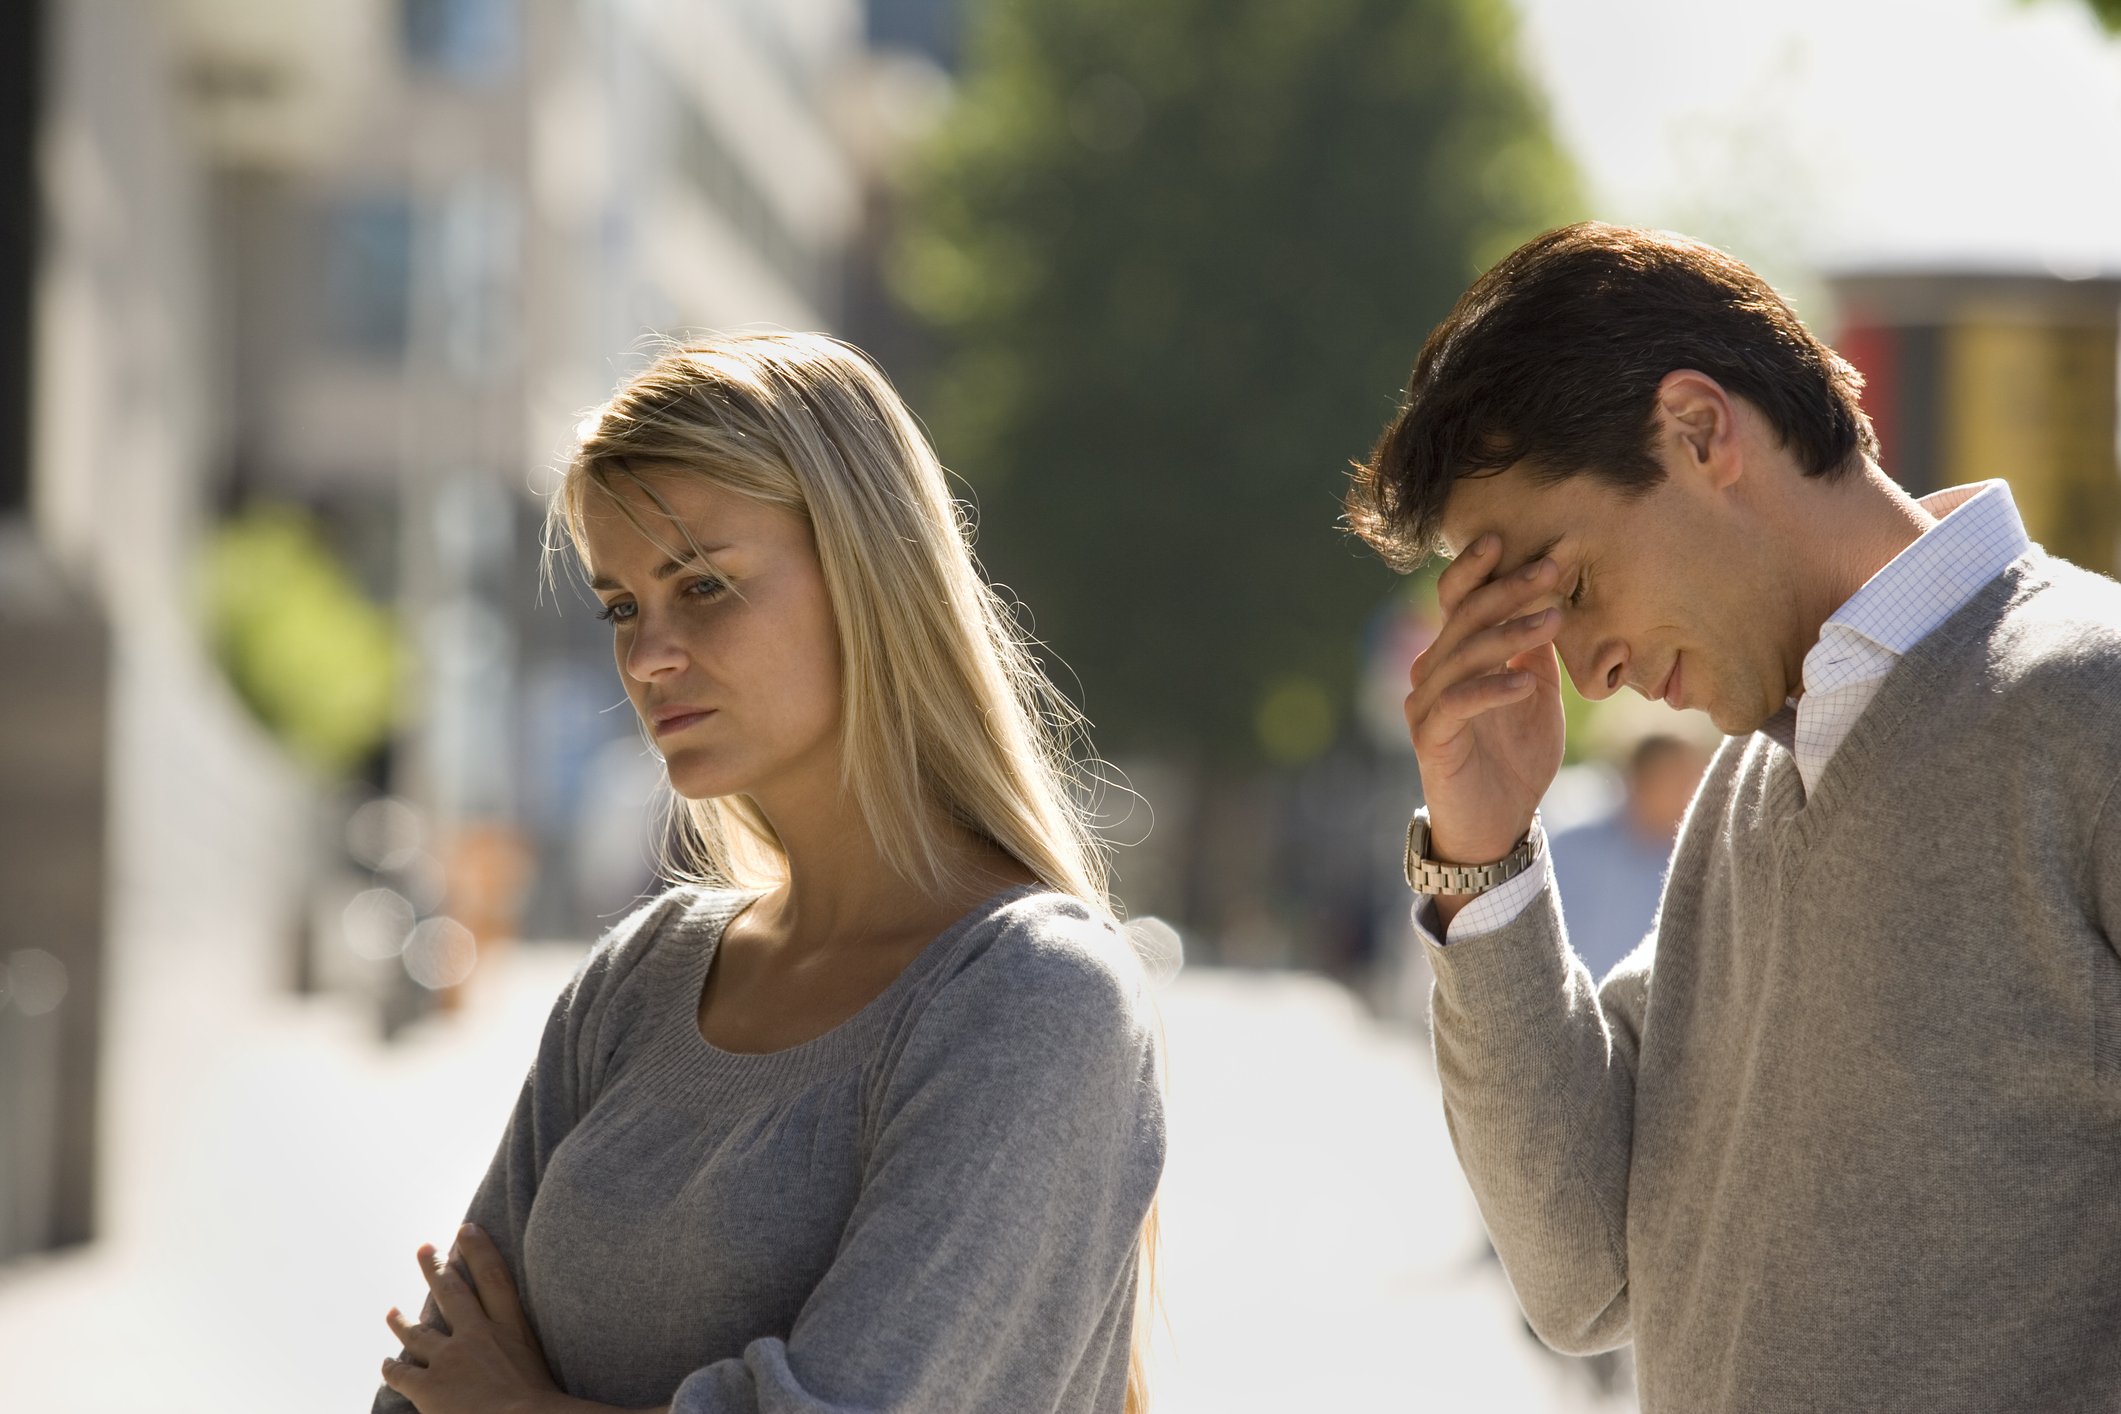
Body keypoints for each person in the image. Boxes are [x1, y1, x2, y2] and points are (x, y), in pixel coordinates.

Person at [1346, 223, 2121, 1411]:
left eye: (1573, 586)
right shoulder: (1748, 795)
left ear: (1702, 431)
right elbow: (1580, 1277)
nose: (1584, 673)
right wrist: (1482, 856)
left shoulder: (2091, 705)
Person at [372, 333, 1165, 1414]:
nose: (648, 654)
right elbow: (418, 1395)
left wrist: (515, 1405)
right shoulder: (639, 978)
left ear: (867, 575)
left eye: (703, 583)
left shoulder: (1034, 998)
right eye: (620, 605)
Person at [1546, 731, 1711, 979]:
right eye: (1677, 779)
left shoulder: (1700, 868)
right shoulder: (1574, 846)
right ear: (1642, 778)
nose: (1692, 791)